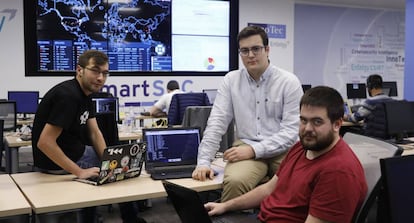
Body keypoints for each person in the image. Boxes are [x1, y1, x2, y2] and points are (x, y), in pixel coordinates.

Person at [205, 86, 368, 223]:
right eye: (304, 120)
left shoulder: (338, 171)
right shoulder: (302, 147)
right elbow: (269, 189)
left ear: (337, 124)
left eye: (317, 122)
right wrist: (226, 206)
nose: (307, 129)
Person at [32, 50, 146, 223]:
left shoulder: (84, 94)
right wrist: (80, 172)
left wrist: (109, 161)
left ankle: (105, 217)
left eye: (105, 73)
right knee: (123, 172)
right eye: (95, 70)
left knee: (121, 167)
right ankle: (129, 219)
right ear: (80, 70)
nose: (101, 78)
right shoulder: (68, 96)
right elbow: (45, 142)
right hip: (56, 162)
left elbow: (95, 132)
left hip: (75, 153)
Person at [192, 25, 303, 202]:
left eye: (256, 49)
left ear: (267, 50)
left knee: (298, 183)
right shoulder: (231, 80)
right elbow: (216, 123)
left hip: (283, 149)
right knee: (236, 181)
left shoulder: (288, 82)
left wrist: (254, 150)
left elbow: (291, 132)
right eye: (244, 50)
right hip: (246, 144)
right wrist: (204, 162)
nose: (250, 55)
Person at [344, 74, 393, 138]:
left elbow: (354, 118)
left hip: (372, 137)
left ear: (370, 87)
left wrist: (343, 116)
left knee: (344, 131)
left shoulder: (370, 102)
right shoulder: (391, 101)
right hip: (387, 137)